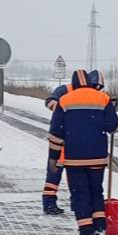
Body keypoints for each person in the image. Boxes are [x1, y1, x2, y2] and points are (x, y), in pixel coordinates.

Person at [47, 69, 118, 235]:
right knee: (96, 191)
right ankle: (100, 229)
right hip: (97, 158)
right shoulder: (103, 98)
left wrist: (53, 157)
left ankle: (86, 232)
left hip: (74, 159)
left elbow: (56, 133)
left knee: (80, 194)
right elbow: (113, 127)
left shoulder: (65, 100)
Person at [41, 80, 72, 215]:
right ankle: (49, 204)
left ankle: (78, 203)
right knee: (53, 175)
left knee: (76, 178)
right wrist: (61, 110)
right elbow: (49, 100)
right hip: (59, 143)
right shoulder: (65, 89)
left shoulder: (93, 93)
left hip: (75, 143)